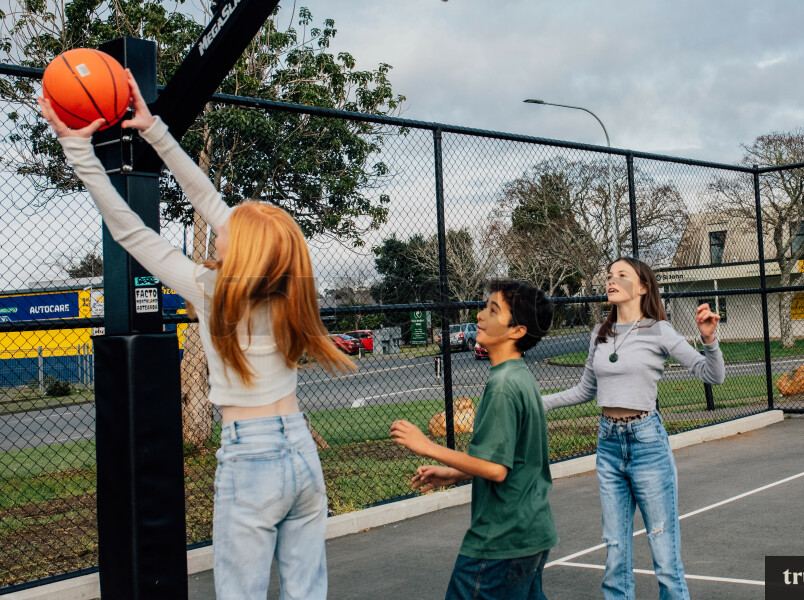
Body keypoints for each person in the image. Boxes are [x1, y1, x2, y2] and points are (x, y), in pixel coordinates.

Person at [39, 72, 355, 600]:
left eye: (231, 227)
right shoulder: (291, 287)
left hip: (251, 457)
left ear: (244, 252)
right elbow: (209, 201)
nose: (219, 221)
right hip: (299, 448)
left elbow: (129, 230)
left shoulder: (214, 291)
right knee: (307, 592)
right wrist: (154, 129)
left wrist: (78, 149)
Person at [543, 257, 724, 600]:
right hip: (608, 444)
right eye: (609, 275)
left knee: (664, 553)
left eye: (621, 275)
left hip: (647, 443)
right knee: (614, 553)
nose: (611, 280)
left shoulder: (659, 330)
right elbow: (585, 390)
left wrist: (709, 340)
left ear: (642, 287)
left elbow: (711, 375)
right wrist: (539, 402)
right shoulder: (599, 333)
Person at [390, 280, 557, 600]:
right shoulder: (518, 376)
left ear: (516, 331)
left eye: (492, 310)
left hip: (500, 541)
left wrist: (427, 445)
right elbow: (513, 459)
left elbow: (495, 469)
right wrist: (453, 474)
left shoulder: (504, 385)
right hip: (531, 534)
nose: (480, 316)